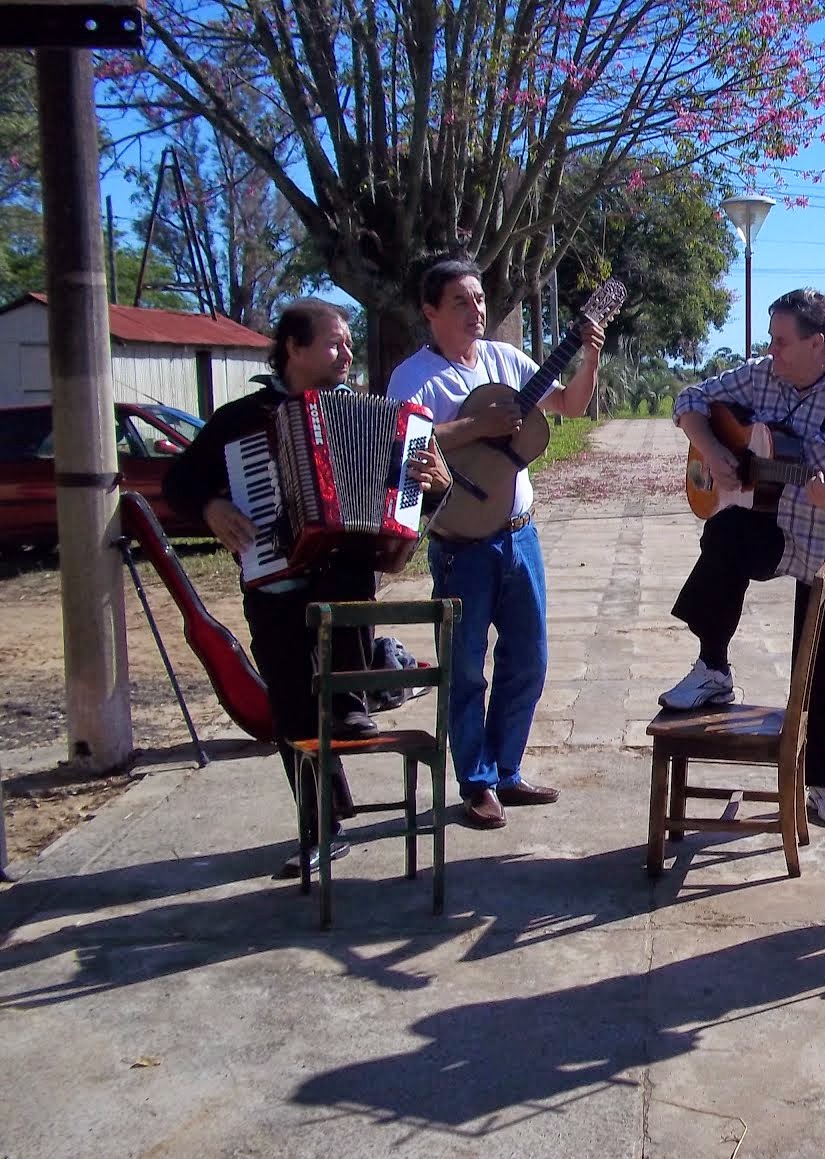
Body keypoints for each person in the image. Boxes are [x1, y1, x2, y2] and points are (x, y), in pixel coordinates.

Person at [163, 298, 452, 877]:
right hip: (275, 586)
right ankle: (319, 828)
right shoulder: (241, 420)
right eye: (333, 343)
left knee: (341, 709)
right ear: (293, 349)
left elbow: (410, 503)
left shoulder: (384, 415)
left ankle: (338, 780)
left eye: (347, 343)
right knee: (292, 711)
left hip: (345, 589)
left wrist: (436, 485)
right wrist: (212, 505)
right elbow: (179, 483)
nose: (346, 353)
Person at [658, 287, 825, 828]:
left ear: (820, 343)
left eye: (782, 342)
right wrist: (716, 454)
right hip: (777, 525)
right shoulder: (762, 374)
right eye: (771, 340)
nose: (772, 351)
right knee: (725, 533)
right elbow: (688, 401)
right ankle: (713, 666)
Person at [386, 259, 602, 832]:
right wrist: (474, 429)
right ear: (431, 311)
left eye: (480, 300)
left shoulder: (507, 360)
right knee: (464, 670)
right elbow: (406, 445)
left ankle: (505, 771)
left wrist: (590, 357)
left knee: (529, 659)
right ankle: (476, 783)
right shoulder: (415, 377)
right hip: (461, 545)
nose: (476, 310)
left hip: (520, 535)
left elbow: (570, 406)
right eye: (461, 301)